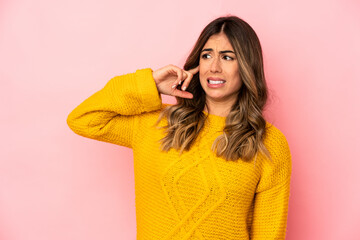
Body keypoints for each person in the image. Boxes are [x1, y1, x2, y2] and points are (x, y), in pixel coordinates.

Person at [67, 15, 292, 240]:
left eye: (227, 57)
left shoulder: (269, 143)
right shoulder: (156, 123)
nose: (214, 67)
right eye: (207, 55)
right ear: (198, 63)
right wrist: (151, 85)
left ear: (246, 66)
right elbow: (83, 118)